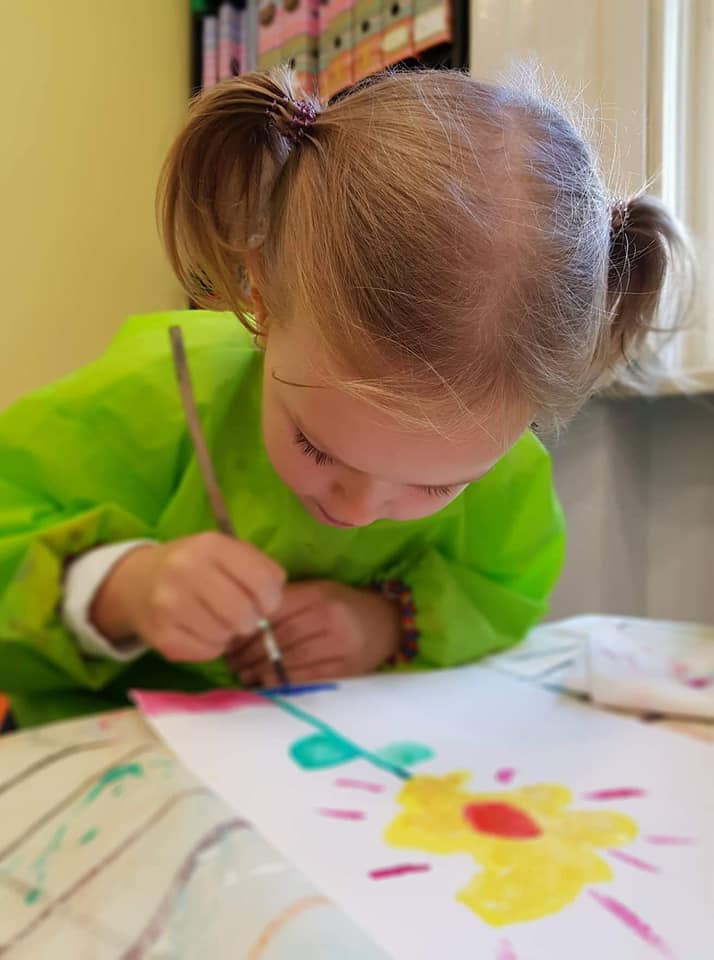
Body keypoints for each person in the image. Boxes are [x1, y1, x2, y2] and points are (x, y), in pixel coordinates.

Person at [0, 68, 692, 727]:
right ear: (259, 295)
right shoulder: (152, 395)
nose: (356, 511)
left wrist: (383, 624)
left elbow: (505, 588)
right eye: (314, 447)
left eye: (435, 487)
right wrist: (120, 589)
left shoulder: (496, 465)